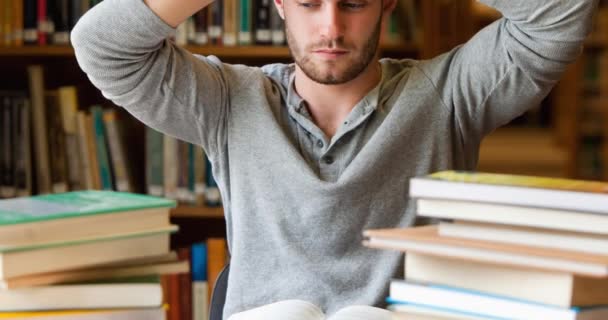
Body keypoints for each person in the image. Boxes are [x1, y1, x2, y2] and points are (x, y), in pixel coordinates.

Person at [71, 0, 598, 318]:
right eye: (308, 4)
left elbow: (562, 15)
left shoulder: (450, 93)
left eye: (352, 3)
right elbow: (101, 45)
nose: (330, 29)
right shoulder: (228, 101)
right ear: (278, 3)